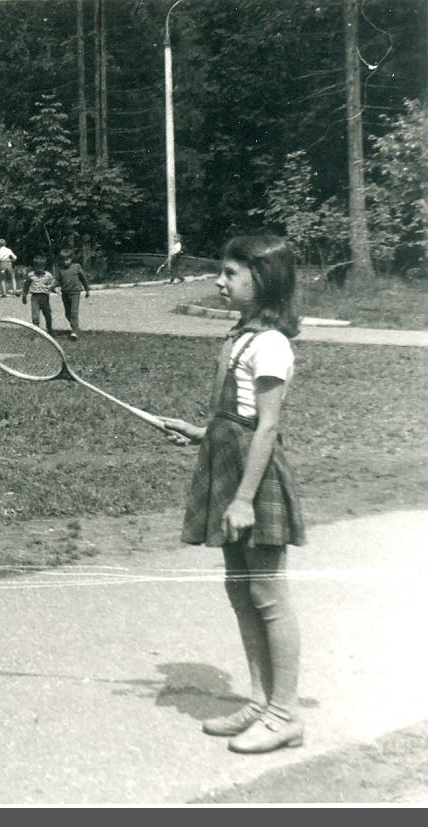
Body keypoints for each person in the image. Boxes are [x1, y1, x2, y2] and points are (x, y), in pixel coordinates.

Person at [159, 235, 307, 755]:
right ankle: (260, 699)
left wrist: (244, 499)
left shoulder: (270, 343)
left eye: (230, 274)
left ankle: (285, 714)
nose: (219, 282)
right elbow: (236, 413)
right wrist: (202, 431)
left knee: (267, 594)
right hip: (226, 462)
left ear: (261, 280)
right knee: (240, 589)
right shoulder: (239, 336)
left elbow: (266, 428)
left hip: (253, 477)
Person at [55, 249, 92, 340]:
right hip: (65, 293)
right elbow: (58, 280)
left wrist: (87, 289)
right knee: (67, 313)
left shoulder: (76, 267)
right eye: (63, 260)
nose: (65, 262)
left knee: (73, 312)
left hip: (75, 292)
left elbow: (83, 278)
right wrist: (53, 286)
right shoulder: (60, 269)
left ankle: (74, 332)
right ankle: (75, 327)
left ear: (71, 259)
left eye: (67, 259)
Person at [20, 254, 58, 334]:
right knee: (35, 315)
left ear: (44, 266)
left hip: (44, 297)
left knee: (47, 314)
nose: (39, 269)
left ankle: (49, 329)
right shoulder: (31, 275)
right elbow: (26, 286)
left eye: (41, 267)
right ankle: (36, 330)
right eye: (37, 267)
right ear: (34, 267)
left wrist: (53, 288)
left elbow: (51, 284)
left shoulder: (48, 275)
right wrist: (24, 295)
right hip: (35, 297)